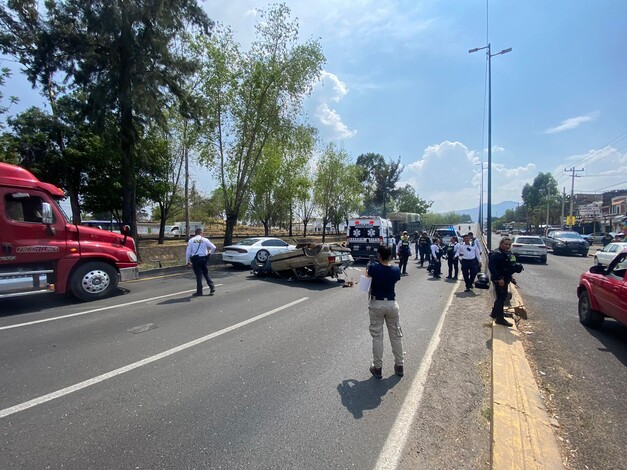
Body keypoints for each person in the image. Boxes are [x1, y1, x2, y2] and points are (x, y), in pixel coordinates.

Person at [366, 245, 404, 379]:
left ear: (379, 255)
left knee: (377, 337)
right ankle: (399, 365)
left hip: (377, 303)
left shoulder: (373, 267)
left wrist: (369, 268)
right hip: (392, 303)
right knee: (396, 336)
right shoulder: (395, 269)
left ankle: (378, 367)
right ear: (390, 256)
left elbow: (366, 283)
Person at [488, 237, 517, 326]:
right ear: (501, 244)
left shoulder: (508, 253)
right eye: (506, 244)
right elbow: (492, 268)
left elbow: (508, 267)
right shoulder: (496, 254)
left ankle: (494, 313)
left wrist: (511, 276)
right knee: (501, 298)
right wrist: (499, 279)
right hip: (499, 280)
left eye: (509, 244)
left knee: (502, 297)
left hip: (506, 279)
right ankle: (500, 319)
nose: (507, 246)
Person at [185, 228, 217, 297]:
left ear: (195, 233)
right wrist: (209, 254)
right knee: (206, 273)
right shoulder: (205, 240)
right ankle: (212, 287)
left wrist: (187, 262)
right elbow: (214, 247)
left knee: (198, 276)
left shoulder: (191, 240)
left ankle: (199, 292)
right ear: (201, 233)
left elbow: (188, 252)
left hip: (195, 259)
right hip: (204, 259)